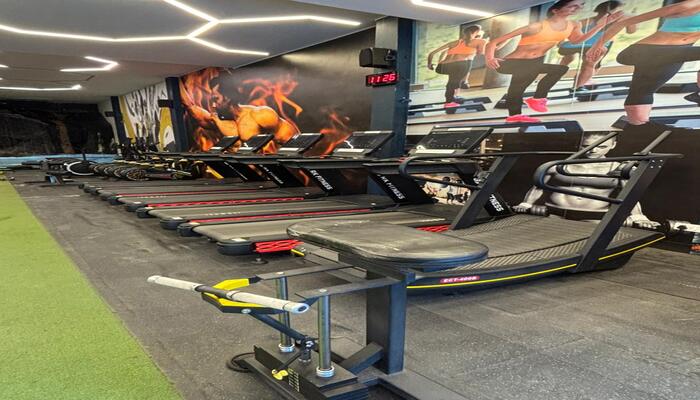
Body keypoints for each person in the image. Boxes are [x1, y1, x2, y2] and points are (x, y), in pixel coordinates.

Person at [485, 0, 623, 123]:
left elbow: (577, 41)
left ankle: (515, 115)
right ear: (555, 10)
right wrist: (490, 58)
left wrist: (599, 26)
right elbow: (493, 42)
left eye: (579, 6)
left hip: (535, 63)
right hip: (512, 63)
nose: (576, 8)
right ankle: (537, 99)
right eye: (572, 6)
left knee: (519, 88)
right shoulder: (536, 26)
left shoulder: (573, 25)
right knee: (557, 70)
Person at [587, 0, 700, 125]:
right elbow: (622, 23)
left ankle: (638, 126)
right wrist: (597, 46)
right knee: (642, 91)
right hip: (646, 51)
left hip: (674, 54)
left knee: (642, 92)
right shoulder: (687, 6)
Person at [513, 132, 657, 228]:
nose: (593, 150)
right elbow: (538, 187)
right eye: (586, 146)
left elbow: (629, 194)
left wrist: (638, 216)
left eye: (601, 147)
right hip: (554, 214)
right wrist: (526, 203)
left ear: (613, 145)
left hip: (594, 217)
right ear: (580, 144)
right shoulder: (558, 165)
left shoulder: (620, 168)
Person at [558, 1, 637, 89]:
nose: (620, 13)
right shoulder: (590, 22)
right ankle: (578, 86)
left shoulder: (588, 21)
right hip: (591, 46)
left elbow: (631, 31)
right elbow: (631, 31)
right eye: (618, 11)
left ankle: (566, 78)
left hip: (580, 45)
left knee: (576, 60)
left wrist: (631, 19)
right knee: (590, 65)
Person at [427, 25, 487, 106]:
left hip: (441, 67)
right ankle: (461, 84)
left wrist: (429, 64)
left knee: (452, 80)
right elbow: (480, 53)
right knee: (468, 60)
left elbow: (432, 53)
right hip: (459, 66)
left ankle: (450, 97)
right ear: (477, 32)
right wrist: (481, 40)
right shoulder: (481, 41)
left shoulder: (454, 42)